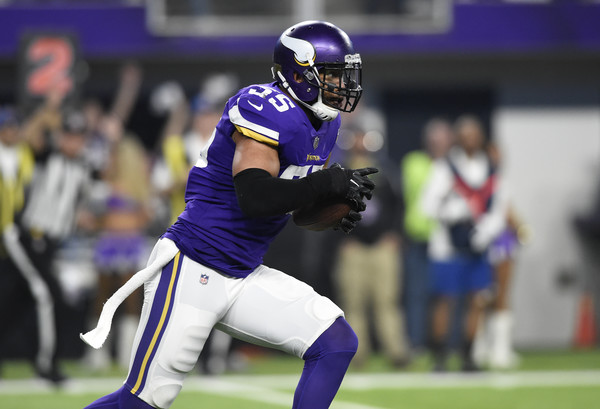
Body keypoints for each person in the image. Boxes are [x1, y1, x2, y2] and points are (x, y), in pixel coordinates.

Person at [82, 20, 376, 409]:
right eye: (334, 76)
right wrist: (324, 185)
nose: (342, 86)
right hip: (193, 264)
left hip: (243, 270)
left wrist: (325, 211)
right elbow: (254, 196)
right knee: (146, 400)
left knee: (336, 342)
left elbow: (290, 207)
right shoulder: (265, 107)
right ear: (301, 73)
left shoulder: (325, 122)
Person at [421, 115, 507, 372]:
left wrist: (489, 230)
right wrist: (451, 211)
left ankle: (469, 355)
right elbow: (426, 206)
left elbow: (500, 206)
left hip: (479, 246)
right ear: (458, 138)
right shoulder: (443, 167)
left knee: (478, 299)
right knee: (444, 300)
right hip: (447, 247)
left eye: (474, 135)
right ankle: (440, 356)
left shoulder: (490, 168)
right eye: (465, 135)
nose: (470, 140)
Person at [334, 108, 410, 369]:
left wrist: (394, 236)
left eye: (363, 135)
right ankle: (357, 353)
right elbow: (328, 209)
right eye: (356, 135)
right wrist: (341, 237)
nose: (360, 141)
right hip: (353, 246)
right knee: (353, 302)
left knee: (387, 301)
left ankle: (396, 351)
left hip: (382, 246)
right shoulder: (339, 171)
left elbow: (399, 206)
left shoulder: (386, 171)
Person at [401, 118, 453, 350]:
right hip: (418, 237)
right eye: (433, 139)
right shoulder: (413, 162)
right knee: (416, 295)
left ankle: (446, 344)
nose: (437, 144)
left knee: (446, 295)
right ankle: (416, 344)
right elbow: (419, 191)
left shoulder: (455, 165)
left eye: (441, 140)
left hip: (446, 241)